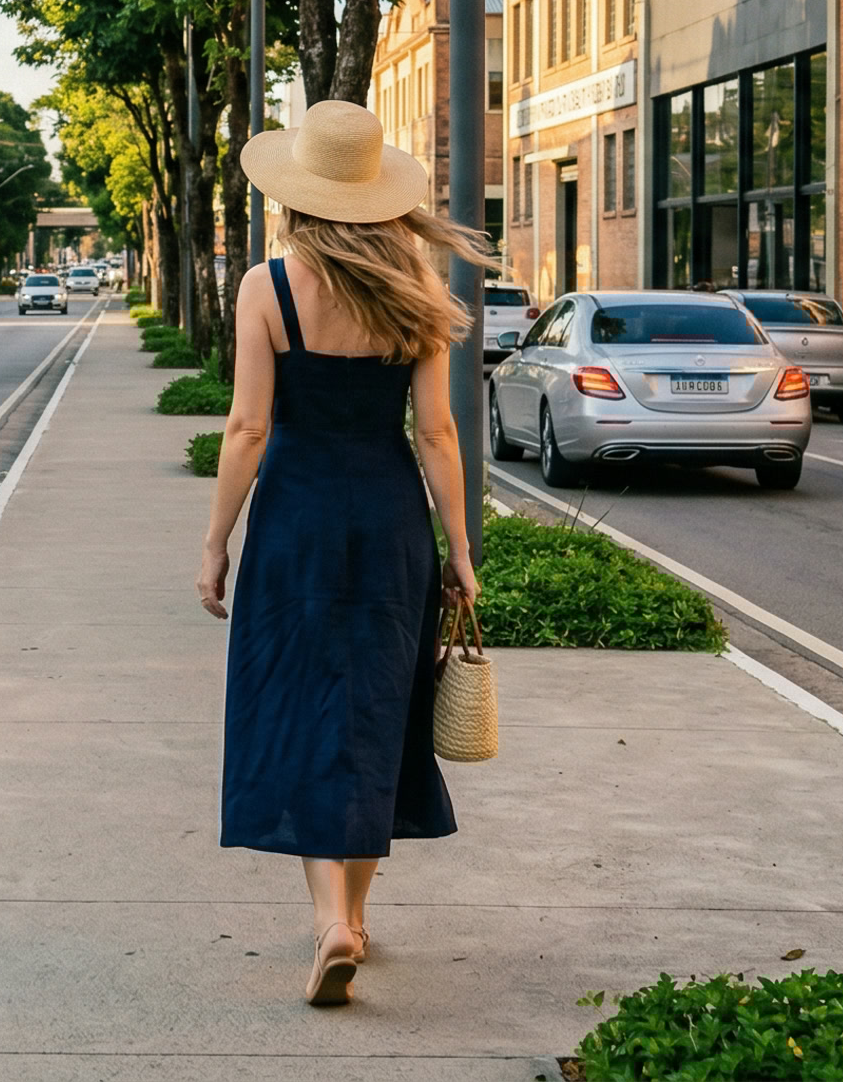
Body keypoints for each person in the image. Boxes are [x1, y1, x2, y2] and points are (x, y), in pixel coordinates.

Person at [198, 97, 492, 1008]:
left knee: (300, 701)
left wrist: (216, 542)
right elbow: (439, 434)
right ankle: (352, 919)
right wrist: (462, 549)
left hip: (295, 519)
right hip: (389, 519)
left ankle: (332, 921)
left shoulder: (266, 287)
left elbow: (248, 427)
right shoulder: (419, 292)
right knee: (374, 704)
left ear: (295, 196)